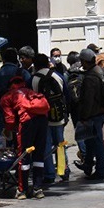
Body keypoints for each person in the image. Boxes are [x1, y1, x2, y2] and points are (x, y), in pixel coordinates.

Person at [1, 75, 49, 199]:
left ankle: (22, 190)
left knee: (24, 155)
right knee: (39, 155)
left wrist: (7, 131)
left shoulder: (8, 96)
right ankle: (38, 188)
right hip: (43, 121)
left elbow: (10, 120)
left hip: (27, 123)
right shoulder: (30, 92)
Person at [73, 48, 104, 181]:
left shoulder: (91, 77)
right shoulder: (98, 72)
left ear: (85, 61)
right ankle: (88, 166)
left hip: (94, 114)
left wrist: (84, 116)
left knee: (96, 143)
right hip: (99, 112)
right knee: (91, 141)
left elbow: (89, 100)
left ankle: (100, 171)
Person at [31, 53, 69, 183]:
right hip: (58, 115)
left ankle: (49, 173)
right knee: (60, 143)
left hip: (42, 116)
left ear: (35, 65)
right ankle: (63, 170)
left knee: (45, 145)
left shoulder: (34, 78)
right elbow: (66, 94)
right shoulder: (57, 76)